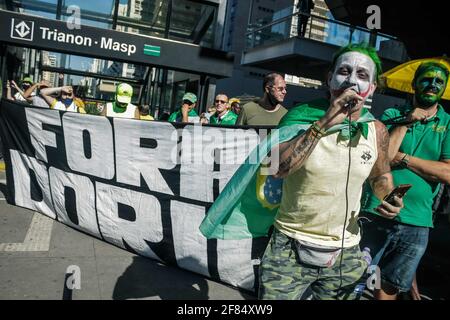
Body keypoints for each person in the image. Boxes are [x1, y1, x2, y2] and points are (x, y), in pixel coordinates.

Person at [258, 43, 403, 300]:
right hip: (289, 246)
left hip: (345, 254)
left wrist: (389, 197)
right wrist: (325, 122)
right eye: (344, 71)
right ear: (329, 78)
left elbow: (380, 176)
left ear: (372, 88)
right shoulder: (300, 116)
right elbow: (276, 169)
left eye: (362, 75)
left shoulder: (376, 129)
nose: (351, 80)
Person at [359, 61, 450, 300]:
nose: (432, 85)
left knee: (389, 286)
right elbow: (383, 159)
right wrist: (407, 121)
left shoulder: (449, 124)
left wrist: (405, 158)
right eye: (426, 79)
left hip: (418, 222)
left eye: (439, 81)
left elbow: (447, 173)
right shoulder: (392, 115)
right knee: (355, 277)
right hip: (376, 212)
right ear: (414, 84)